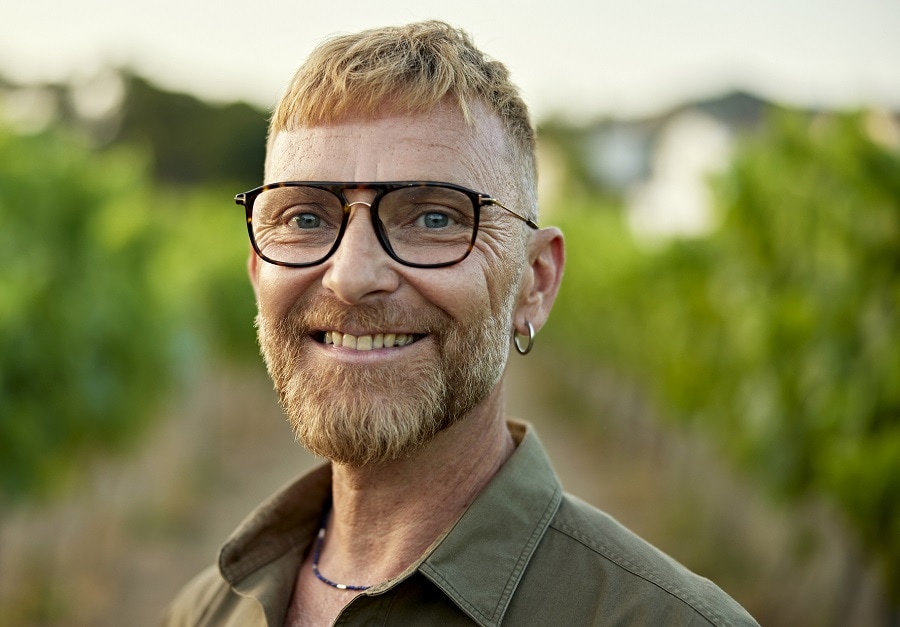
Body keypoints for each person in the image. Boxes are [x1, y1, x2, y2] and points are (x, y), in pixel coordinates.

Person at [163, 20, 758, 627]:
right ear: (258, 270)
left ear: (536, 282)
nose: (351, 276)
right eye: (305, 218)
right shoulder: (200, 612)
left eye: (434, 219)